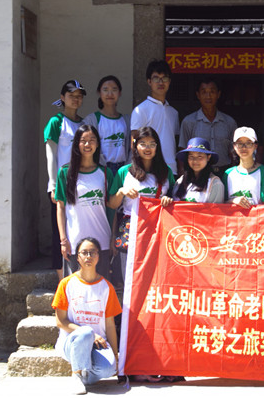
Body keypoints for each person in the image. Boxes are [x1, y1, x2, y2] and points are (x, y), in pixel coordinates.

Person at [52, 237, 121, 395]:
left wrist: (116, 357)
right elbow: (61, 322)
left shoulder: (106, 287)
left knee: (108, 369)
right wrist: (91, 334)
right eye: (84, 252)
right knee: (86, 332)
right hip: (73, 342)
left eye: (92, 252)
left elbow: (110, 325)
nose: (88, 256)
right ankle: (76, 374)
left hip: (98, 345)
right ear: (78, 257)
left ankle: (84, 376)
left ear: (98, 257)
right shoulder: (66, 284)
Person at [107, 126, 175, 281]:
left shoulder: (166, 172)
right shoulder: (124, 172)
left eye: (152, 144)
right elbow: (112, 204)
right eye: (143, 144)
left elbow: (174, 199)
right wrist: (121, 192)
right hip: (131, 229)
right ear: (135, 146)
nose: (147, 148)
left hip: (157, 230)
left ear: (157, 147)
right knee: (130, 276)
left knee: (154, 277)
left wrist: (168, 200)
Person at [55, 124, 113, 279]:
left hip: (102, 241)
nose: (88, 144)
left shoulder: (105, 173)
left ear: (98, 144)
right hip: (75, 242)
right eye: (83, 140)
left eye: (92, 140)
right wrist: (63, 240)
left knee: (101, 286)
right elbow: (60, 207)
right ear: (76, 144)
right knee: (76, 287)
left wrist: (113, 237)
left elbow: (111, 208)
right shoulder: (65, 172)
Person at [45, 79, 87, 280]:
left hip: (81, 184)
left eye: (79, 96)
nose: (75, 99)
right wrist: (53, 184)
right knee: (59, 232)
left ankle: (79, 274)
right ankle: (62, 280)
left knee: (77, 228)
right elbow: (51, 154)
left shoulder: (84, 124)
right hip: (61, 184)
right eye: (71, 95)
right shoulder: (56, 122)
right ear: (62, 97)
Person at [178, 77, 237, 176]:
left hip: (224, 173)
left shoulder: (229, 122)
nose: (208, 96)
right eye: (204, 92)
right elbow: (183, 149)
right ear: (198, 95)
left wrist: (233, 173)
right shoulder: (189, 121)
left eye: (212, 92)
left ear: (218, 94)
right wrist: (182, 172)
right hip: (197, 173)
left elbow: (234, 151)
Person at [130, 60, 179, 175]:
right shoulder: (140, 110)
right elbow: (134, 143)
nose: (160, 82)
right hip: (149, 170)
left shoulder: (174, 113)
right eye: (156, 78)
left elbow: (175, 143)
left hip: (171, 169)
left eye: (164, 78)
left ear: (169, 81)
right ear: (149, 81)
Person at [84, 75, 130, 174]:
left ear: (120, 93)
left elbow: (132, 146)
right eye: (105, 90)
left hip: (123, 169)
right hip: (101, 169)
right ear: (99, 93)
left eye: (114, 89)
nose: (110, 94)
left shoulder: (126, 120)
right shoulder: (92, 119)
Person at [224, 126, 264, 208]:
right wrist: (233, 201)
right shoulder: (228, 174)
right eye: (240, 143)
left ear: (255, 146)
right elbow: (222, 204)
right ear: (234, 146)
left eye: (248, 143)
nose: (244, 147)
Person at [173, 137, 226, 203]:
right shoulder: (180, 181)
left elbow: (216, 209)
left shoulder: (215, 184)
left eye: (200, 156)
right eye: (191, 156)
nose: (195, 161)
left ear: (208, 157)